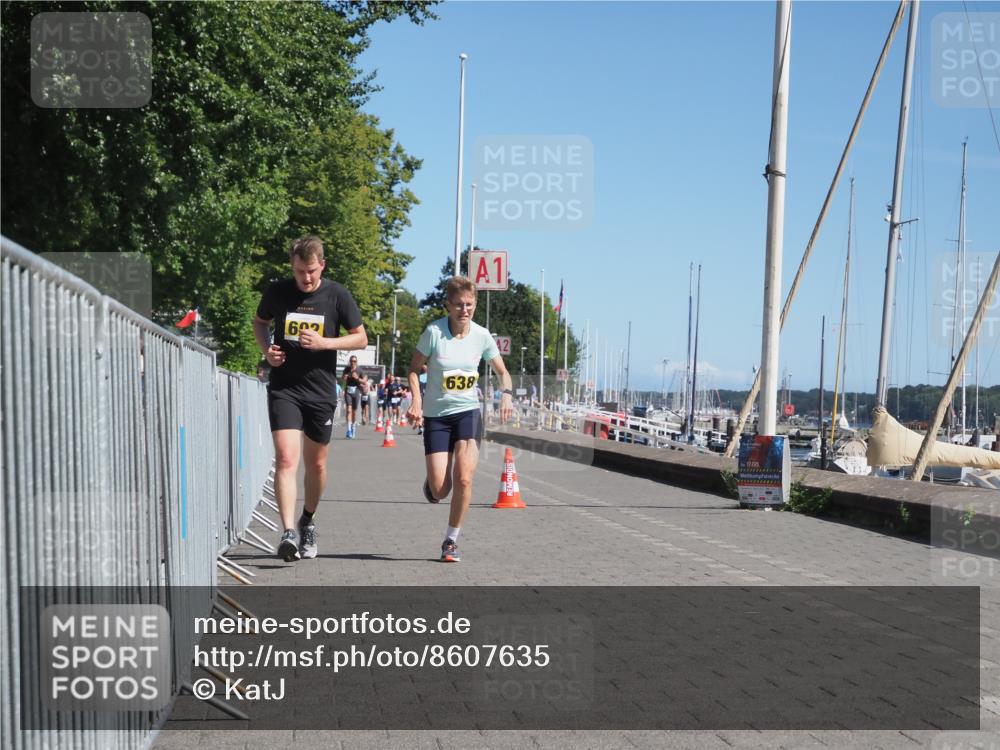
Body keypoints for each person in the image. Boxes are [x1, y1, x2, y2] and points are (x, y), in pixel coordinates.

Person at [253, 236, 367, 562]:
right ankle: (288, 532)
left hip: (320, 391)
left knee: (316, 464)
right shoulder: (278, 292)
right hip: (285, 388)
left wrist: (325, 343)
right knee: (286, 459)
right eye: (300, 271)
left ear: (322, 266)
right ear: (292, 267)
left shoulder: (337, 295)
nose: (306, 278)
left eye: (312, 271)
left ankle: (308, 519)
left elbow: (361, 338)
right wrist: (267, 350)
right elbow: (260, 322)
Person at [406, 277, 513, 563]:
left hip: (468, 412)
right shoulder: (434, 333)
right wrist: (416, 400)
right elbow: (414, 369)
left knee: (464, 479)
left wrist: (506, 395)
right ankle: (433, 482)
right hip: (437, 416)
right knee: (441, 490)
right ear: (448, 305)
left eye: (469, 305)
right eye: (458, 305)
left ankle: (451, 541)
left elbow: (502, 371)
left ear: (475, 304)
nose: (464, 310)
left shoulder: (482, 336)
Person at [342, 356, 363, 438]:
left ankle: (353, 427)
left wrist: (357, 378)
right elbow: (343, 378)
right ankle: (349, 429)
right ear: (349, 361)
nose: (353, 362)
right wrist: (344, 377)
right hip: (348, 391)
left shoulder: (360, 370)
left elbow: (365, 381)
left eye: (354, 361)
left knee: (354, 412)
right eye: (351, 361)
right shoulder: (346, 369)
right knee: (348, 410)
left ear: (356, 362)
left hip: (356, 391)